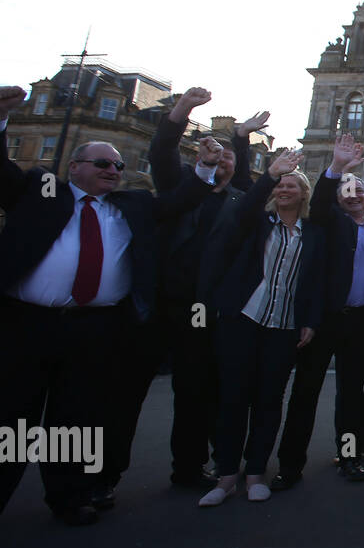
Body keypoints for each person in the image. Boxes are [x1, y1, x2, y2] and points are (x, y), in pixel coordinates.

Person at [0, 85, 217, 524]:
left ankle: (68, 495)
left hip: (96, 327)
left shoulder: (131, 204)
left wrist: (207, 167)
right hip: (30, 324)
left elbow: (180, 199)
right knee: (13, 417)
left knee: (76, 417)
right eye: (103, 164)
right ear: (75, 166)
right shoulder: (41, 191)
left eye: (118, 165)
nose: (114, 170)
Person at [144, 89, 258, 496]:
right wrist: (182, 112)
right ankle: (100, 480)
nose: (221, 162)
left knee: (200, 390)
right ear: (200, 161)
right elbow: (160, 153)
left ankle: (195, 466)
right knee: (121, 394)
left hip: (208, 308)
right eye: (215, 157)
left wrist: (241, 141)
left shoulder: (238, 199)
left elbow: (250, 181)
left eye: (228, 159)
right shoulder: (179, 187)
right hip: (162, 302)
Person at [201, 150, 325, 506]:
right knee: (233, 399)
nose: (284, 190)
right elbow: (244, 206)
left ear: (304, 194)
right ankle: (225, 475)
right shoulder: (255, 222)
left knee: (270, 401)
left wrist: (310, 322)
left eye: (291, 185)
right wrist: (270, 174)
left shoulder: (311, 233)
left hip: (283, 325)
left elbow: (314, 281)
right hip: (243, 318)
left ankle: (255, 471)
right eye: (279, 186)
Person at [272, 133, 364, 487]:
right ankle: (290, 465)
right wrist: (338, 167)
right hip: (323, 321)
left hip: (361, 321)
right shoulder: (327, 223)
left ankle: (349, 457)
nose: (353, 194)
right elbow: (321, 200)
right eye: (346, 190)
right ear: (339, 196)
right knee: (304, 394)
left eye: (359, 189)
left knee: (351, 397)